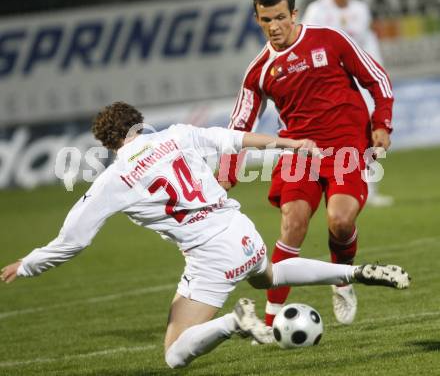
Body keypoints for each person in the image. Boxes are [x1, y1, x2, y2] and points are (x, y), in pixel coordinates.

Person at [1, 102, 409, 368]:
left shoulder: (115, 178)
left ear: (109, 144)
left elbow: (73, 241)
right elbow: (231, 139)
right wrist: (286, 142)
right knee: (268, 276)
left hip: (211, 254)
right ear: (140, 124)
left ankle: (236, 321)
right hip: (240, 229)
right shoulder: (176, 134)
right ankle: (354, 274)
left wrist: (29, 264)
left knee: (174, 355)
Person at [219, 0, 394, 327]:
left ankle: (341, 280)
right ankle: (269, 324)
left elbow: (378, 79)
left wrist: (382, 124)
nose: (274, 27)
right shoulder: (259, 71)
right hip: (300, 150)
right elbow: (239, 124)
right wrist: (228, 168)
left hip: (346, 146)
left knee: (341, 223)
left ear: (294, 14)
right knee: (292, 224)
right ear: (257, 20)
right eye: (266, 20)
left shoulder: (329, 39)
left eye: (280, 17)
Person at [302, 0, 394, 208]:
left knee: (366, 131)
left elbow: (367, 44)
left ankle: (369, 188)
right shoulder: (317, 11)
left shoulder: (361, 9)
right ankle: (321, 185)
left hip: (358, 82)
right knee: (330, 135)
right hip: (328, 85)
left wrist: (378, 72)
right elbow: (306, 46)